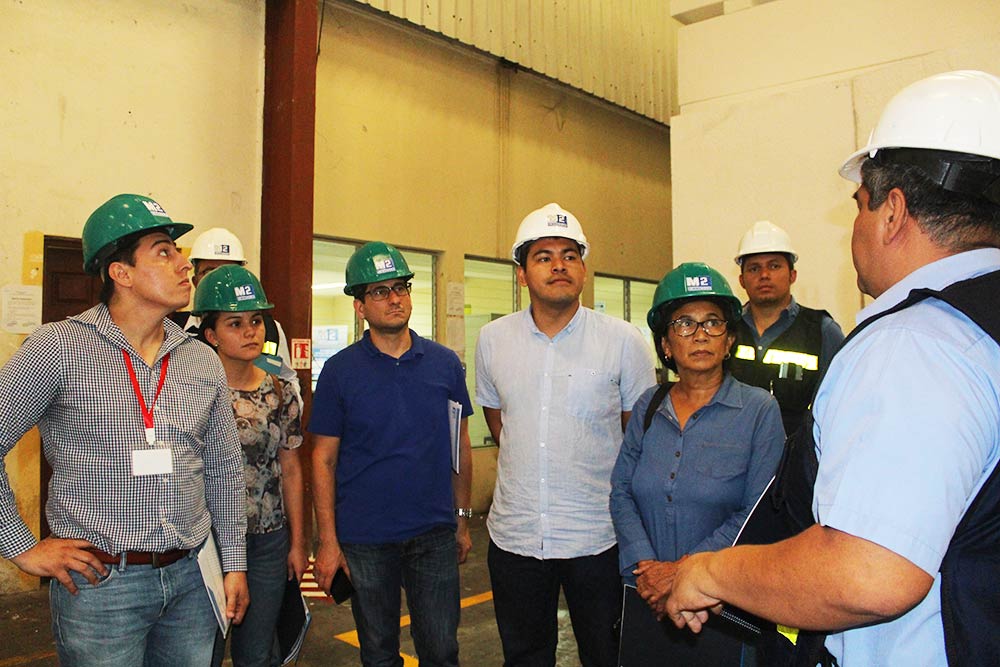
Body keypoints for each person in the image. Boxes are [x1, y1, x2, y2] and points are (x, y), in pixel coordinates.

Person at [664, 70, 1000, 665]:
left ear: (892, 212)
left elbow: (869, 573)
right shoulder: (982, 319)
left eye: (860, 205)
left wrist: (712, 572)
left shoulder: (916, 344)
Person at [0, 194, 248, 666]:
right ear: (122, 273)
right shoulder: (57, 348)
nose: (185, 264)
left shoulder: (200, 358)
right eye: (164, 251)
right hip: (100, 587)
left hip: (194, 578)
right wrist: (23, 548)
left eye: (179, 251)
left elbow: (223, 469)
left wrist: (233, 563)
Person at [475, 203, 657, 667]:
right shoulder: (493, 340)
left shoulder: (623, 341)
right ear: (522, 274)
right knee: (525, 657)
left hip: (597, 538)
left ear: (583, 268)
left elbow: (635, 436)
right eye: (543, 256)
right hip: (516, 538)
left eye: (569, 255)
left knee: (606, 655)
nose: (559, 265)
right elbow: (501, 424)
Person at [610, 262, 784, 663]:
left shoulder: (759, 411)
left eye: (713, 323)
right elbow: (621, 492)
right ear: (667, 345)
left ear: (729, 341)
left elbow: (756, 512)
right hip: (646, 597)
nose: (701, 334)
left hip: (722, 604)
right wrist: (649, 569)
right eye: (684, 324)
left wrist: (683, 574)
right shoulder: (648, 406)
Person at [311, 241, 473, 667]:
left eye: (400, 287)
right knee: (379, 653)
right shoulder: (340, 372)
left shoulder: (444, 365)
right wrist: (328, 541)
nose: (395, 298)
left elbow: (460, 448)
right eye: (380, 291)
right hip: (366, 539)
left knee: (441, 650)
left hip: (433, 534)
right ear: (360, 306)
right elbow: (322, 459)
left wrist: (462, 519)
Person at [195, 265, 307, 667]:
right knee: (200, 651)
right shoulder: (191, 391)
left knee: (257, 653)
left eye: (257, 321)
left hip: (267, 540)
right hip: (205, 542)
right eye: (235, 323)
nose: (250, 332)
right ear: (211, 335)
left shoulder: (280, 386)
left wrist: (298, 543)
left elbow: (292, 467)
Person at [729, 220, 844, 435]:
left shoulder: (822, 331)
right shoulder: (725, 330)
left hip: (796, 460)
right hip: (733, 456)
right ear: (742, 280)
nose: (764, 275)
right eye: (754, 268)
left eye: (774, 266)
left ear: (792, 275)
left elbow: (840, 405)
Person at [170, 226, 301, 401]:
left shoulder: (270, 329)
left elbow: (285, 376)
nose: (221, 281)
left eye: (230, 272)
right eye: (210, 272)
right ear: (195, 281)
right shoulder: (173, 331)